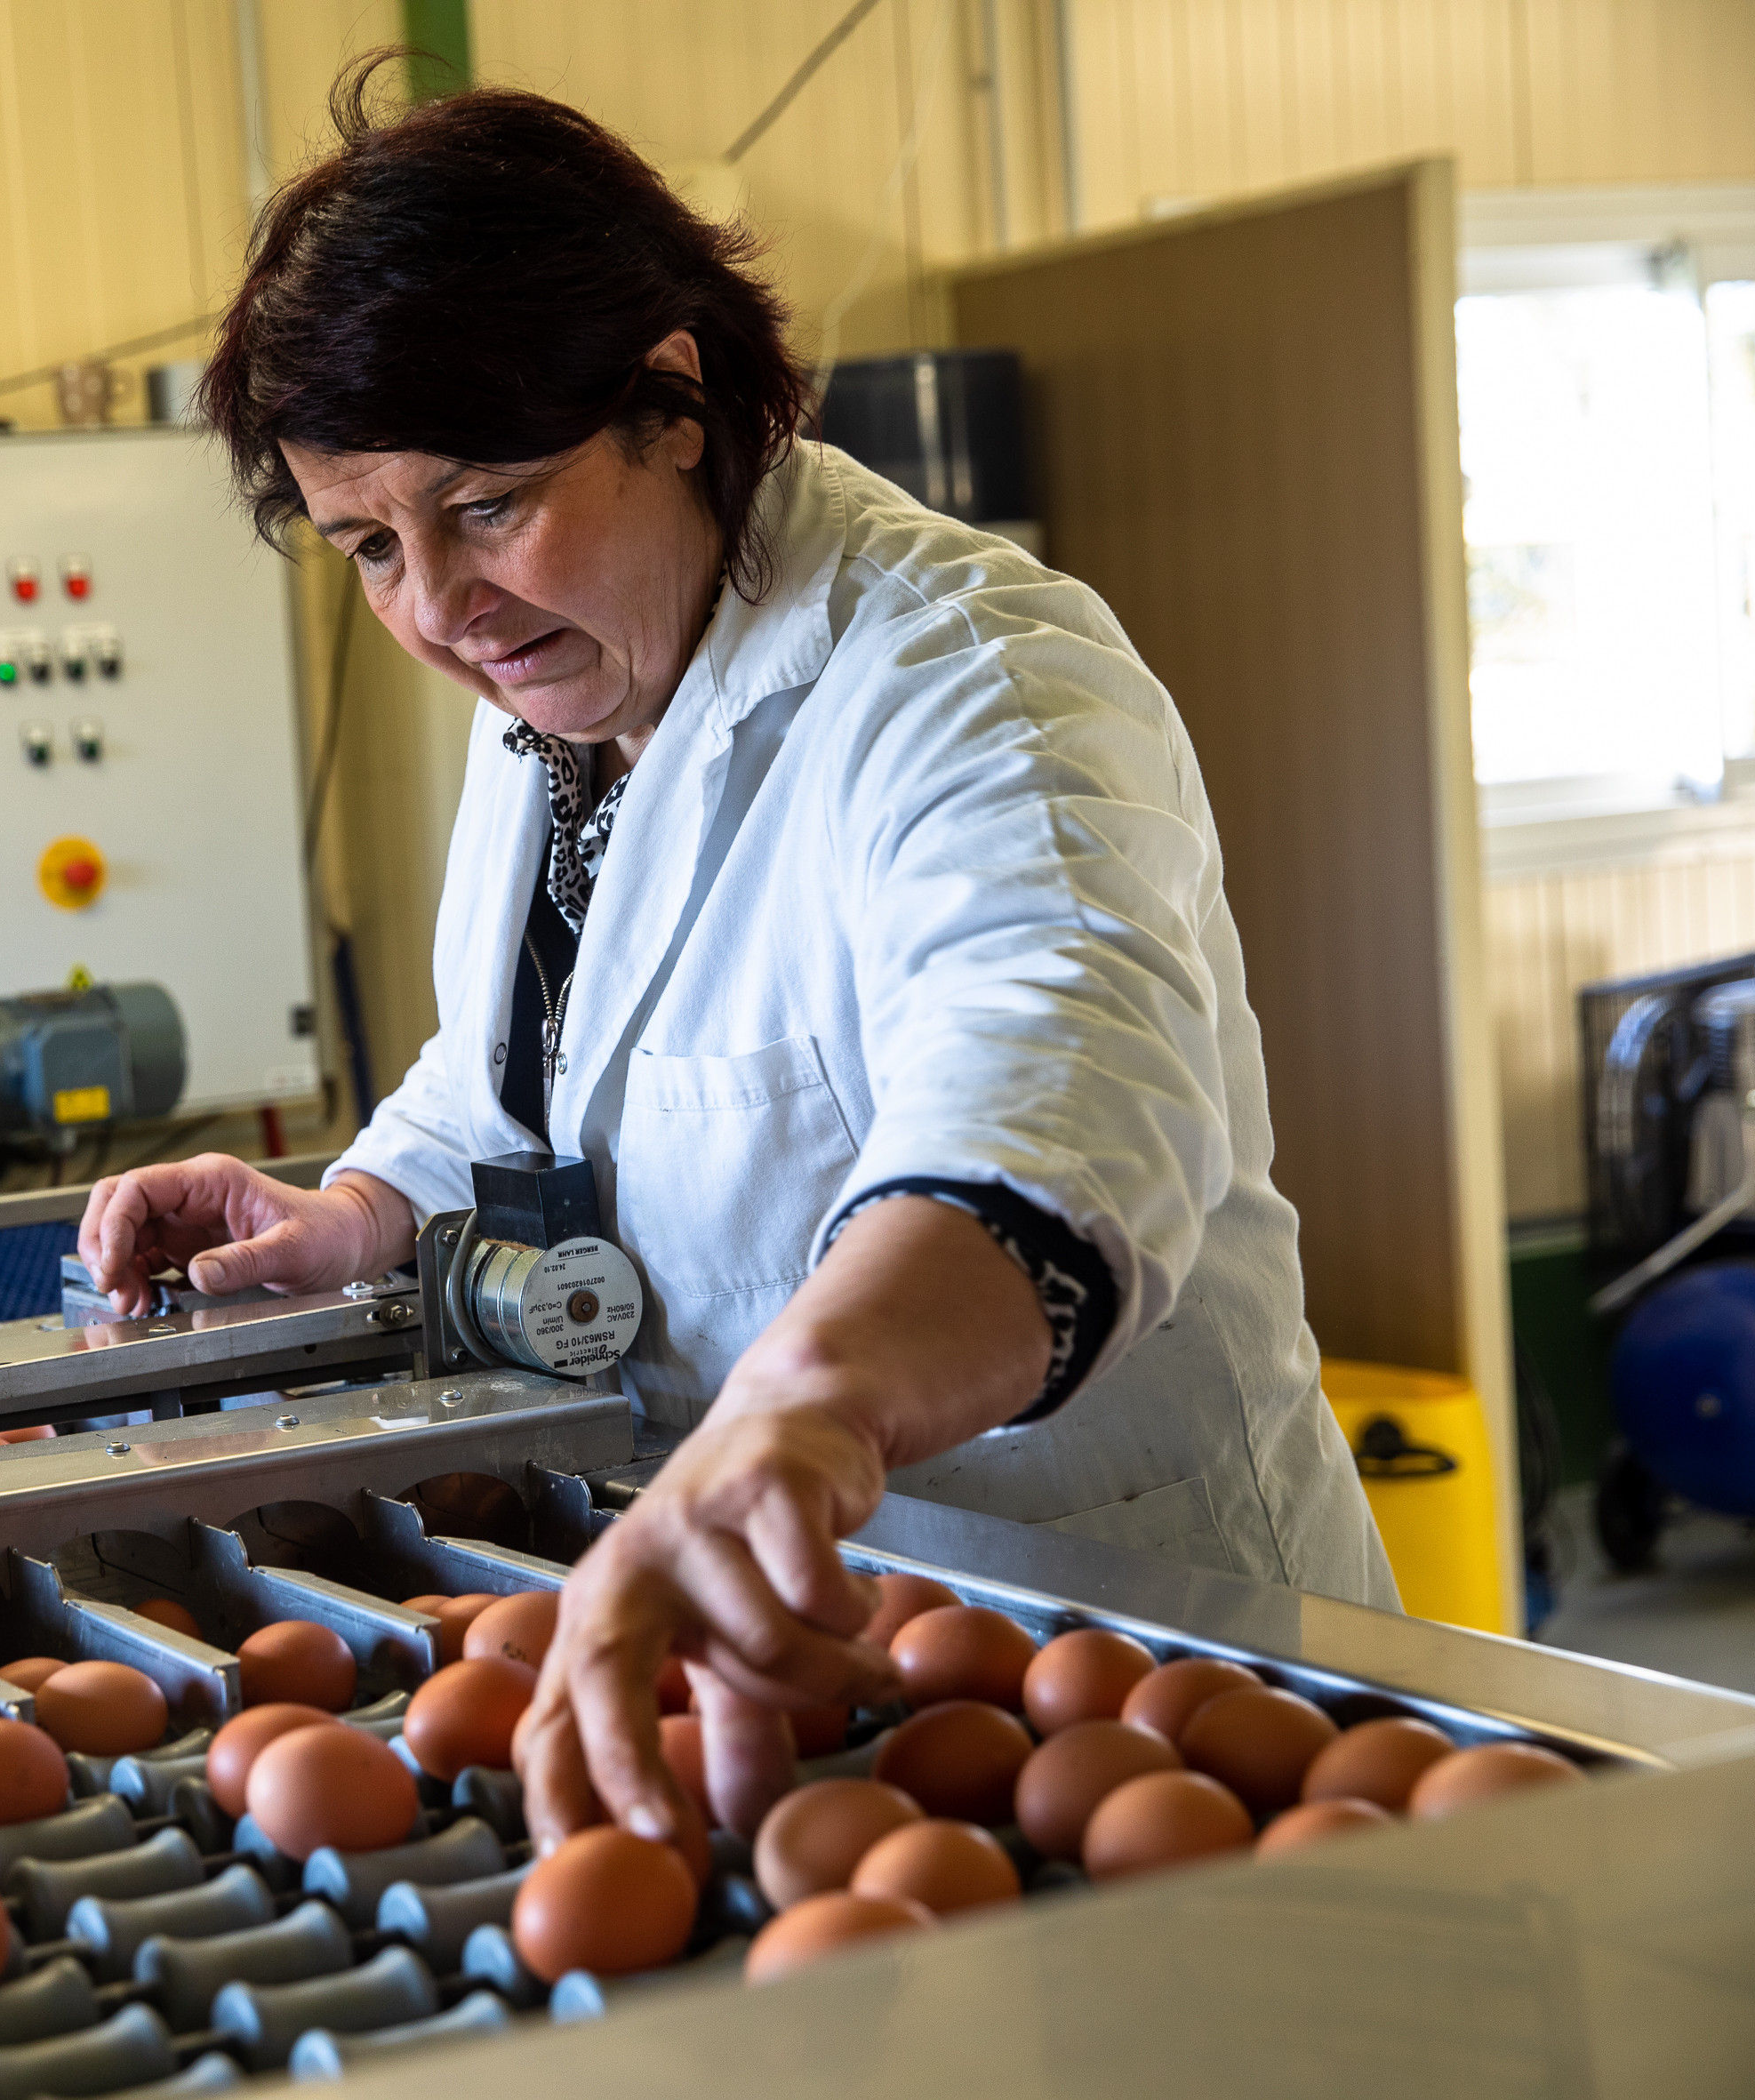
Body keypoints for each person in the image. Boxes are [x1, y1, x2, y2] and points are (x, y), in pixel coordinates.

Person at [73, 68, 1397, 1862]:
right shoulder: (561, 682)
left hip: (1115, 1656)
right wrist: (367, 1202)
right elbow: (535, 1051)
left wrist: (805, 1406)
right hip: (780, 1655)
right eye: (367, 544)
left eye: (482, 504)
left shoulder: (970, 681)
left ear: (671, 403)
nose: (433, 609)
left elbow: (1050, 1105)